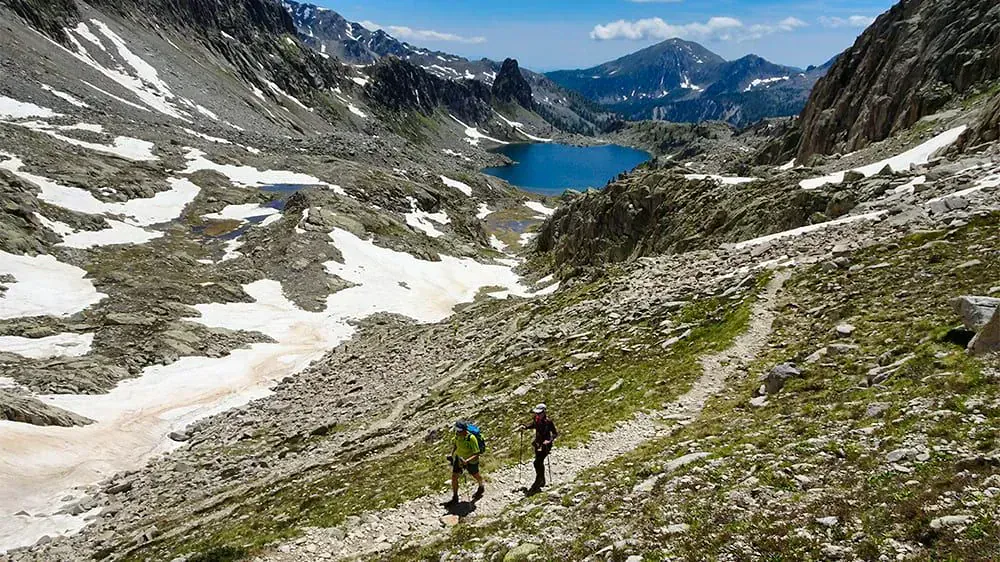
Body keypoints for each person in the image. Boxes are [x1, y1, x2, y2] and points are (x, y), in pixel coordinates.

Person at [445, 420, 484, 506]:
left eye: (459, 431)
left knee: (475, 475)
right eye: (457, 430)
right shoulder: (457, 435)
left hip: (471, 461)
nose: (457, 432)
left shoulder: (471, 438)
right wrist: (452, 454)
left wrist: (467, 461)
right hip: (459, 459)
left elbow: (477, 453)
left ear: (464, 430)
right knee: (454, 477)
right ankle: (455, 497)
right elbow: (456, 444)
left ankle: (481, 486)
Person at [522, 403, 558, 495]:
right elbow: (534, 425)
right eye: (537, 413)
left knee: (537, 462)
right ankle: (542, 480)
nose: (537, 414)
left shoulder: (548, 422)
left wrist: (549, 440)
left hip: (546, 446)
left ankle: (538, 480)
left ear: (544, 412)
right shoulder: (536, 419)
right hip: (538, 444)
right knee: (538, 462)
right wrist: (526, 427)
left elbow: (555, 433)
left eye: (539, 413)